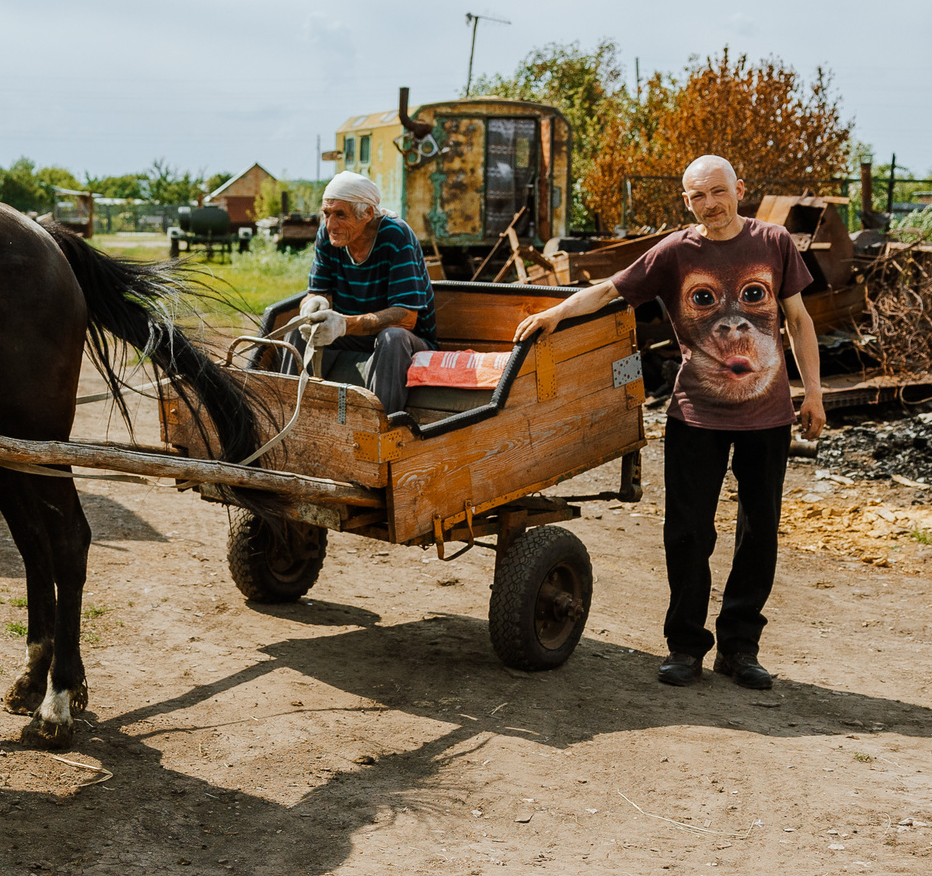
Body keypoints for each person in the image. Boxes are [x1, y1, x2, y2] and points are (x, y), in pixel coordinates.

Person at [513, 154, 825, 689]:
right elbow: (611, 290)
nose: (711, 203)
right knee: (687, 535)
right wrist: (556, 313)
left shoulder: (774, 243)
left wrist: (813, 394)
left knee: (759, 535)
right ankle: (686, 647)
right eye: (699, 195)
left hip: (766, 416)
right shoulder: (676, 252)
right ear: (687, 201)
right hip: (695, 417)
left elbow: (798, 319)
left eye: (718, 191)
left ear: (739, 188)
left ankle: (740, 649)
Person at [299, 172, 438, 422]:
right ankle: (296, 421)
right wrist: (312, 305)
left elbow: (406, 317)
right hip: (352, 336)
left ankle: (380, 430)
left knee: (391, 338)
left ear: (367, 214)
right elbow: (317, 291)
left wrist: (343, 324)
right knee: (299, 333)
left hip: (408, 343)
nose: (331, 224)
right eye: (326, 214)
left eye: (341, 215)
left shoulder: (396, 236)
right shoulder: (328, 235)